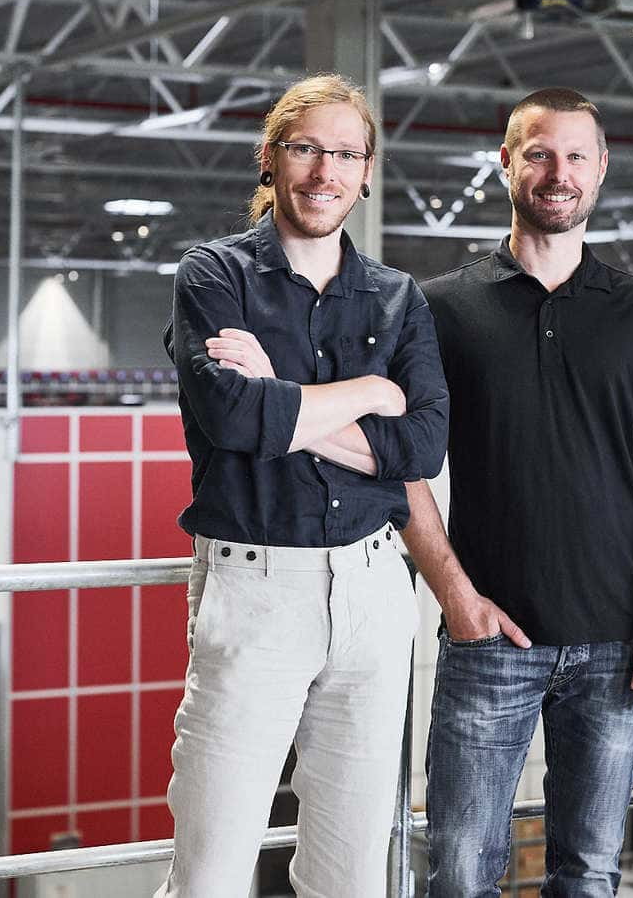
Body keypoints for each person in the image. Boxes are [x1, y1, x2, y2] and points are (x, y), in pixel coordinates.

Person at [156, 73, 448, 897]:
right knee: (212, 870)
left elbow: (421, 444)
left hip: (373, 588)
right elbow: (237, 424)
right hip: (254, 591)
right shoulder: (214, 275)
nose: (324, 172)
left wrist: (286, 399)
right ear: (271, 158)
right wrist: (373, 393)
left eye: (345, 154)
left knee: (351, 872)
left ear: (366, 173)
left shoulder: (396, 298)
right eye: (306, 148)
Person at [404, 87, 633, 896]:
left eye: (575, 156)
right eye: (538, 153)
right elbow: (405, 470)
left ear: (600, 170)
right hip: (488, 640)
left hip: (617, 640)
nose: (556, 173)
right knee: (461, 871)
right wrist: (456, 597)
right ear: (506, 162)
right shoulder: (442, 309)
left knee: (590, 874)